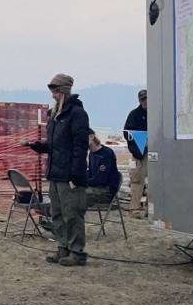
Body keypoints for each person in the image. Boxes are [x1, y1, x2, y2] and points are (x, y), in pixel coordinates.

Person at [25, 74, 93, 267]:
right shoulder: (55, 115)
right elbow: (56, 145)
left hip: (69, 175)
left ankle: (77, 252)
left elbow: (80, 147)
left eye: (55, 91)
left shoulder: (77, 114)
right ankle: (63, 248)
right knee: (57, 213)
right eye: (51, 91)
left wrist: (76, 173)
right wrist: (39, 146)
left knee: (72, 214)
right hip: (55, 173)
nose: (52, 95)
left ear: (63, 91)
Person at [123, 88, 149, 214]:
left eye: (147, 99)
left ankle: (152, 208)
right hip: (139, 154)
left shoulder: (156, 113)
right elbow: (127, 133)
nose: (146, 101)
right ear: (140, 100)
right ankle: (135, 208)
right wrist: (139, 142)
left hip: (154, 153)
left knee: (155, 181)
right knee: (137, 181)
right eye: (143, 99)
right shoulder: (134, 114)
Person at [85, 129, 122, 209]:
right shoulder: (92, 153)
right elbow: (91, 174)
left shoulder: (106, 154)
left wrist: (82, 181)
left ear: (91, 137)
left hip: (107, 190)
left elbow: (101, 179)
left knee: (78, 195)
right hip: (97, 187)